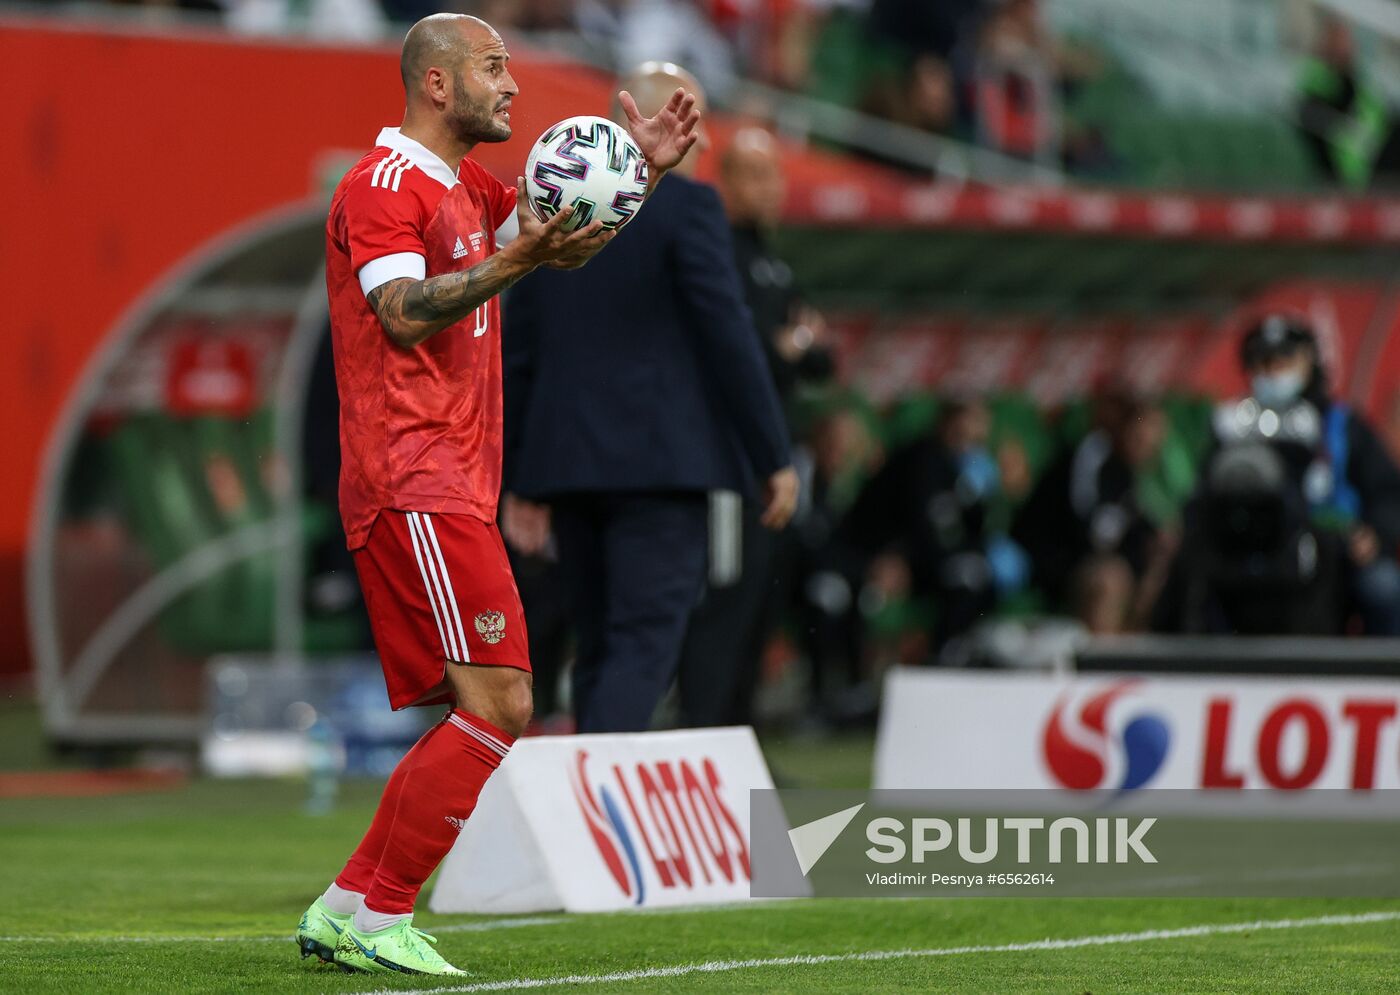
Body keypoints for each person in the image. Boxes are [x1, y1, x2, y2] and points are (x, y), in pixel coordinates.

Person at [295, 15, 699, 976]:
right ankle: (377, 909)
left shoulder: (468, 187)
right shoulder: (382, 187)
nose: (513, 84)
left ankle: (347, 902)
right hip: (413, 473)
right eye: (493, 66)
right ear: (436, 84)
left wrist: (634, 171)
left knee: (482, 703)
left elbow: (559, 243)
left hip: (451, 481)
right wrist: (516, 261)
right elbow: (400, 315)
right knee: (504, 697)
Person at [501, 64, 799, 735]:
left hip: (568, 467)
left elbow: (519, 353)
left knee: (601, 640)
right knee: (642, 642)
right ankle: (597, 797)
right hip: (662, 468)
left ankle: (585, 788)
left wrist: (520, 477)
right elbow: (730, 336)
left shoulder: (558, 208)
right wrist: (772, 455)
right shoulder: (690, 208)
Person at [676, 128, 833, 728]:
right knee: (725, 602)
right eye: (757, 174)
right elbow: (737, 354)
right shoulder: (720, 253)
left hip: (778, 462)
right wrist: (788, 347)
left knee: (762, 603)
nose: (772, 189)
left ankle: (740, 744)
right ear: (728, 179)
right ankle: (703, 736)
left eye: (776, 175)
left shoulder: (773, 261)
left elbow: (819, 356)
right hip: (731, 465)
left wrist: (794, 348)